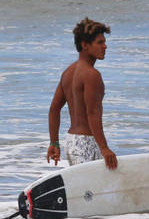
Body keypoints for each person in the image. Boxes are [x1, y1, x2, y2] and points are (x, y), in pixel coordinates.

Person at [46, 18, 118, 170]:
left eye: (104, 42)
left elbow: (54, 109)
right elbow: (92, 113)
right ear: (85, 45)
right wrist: (104, 148)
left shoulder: (68, 72)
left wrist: (54, 143)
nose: (105, 46)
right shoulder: (92, 75)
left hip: (72, 142)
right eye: (100, 42)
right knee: (95, 190)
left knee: (89, 192)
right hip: (88, 143)